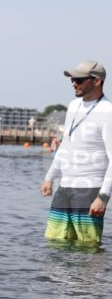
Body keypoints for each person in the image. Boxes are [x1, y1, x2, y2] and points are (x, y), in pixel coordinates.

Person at [40, 60, 111, 245]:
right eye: (72, 79)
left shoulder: (108, 111)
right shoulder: (73, 106)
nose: (73, 83)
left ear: (96, 81)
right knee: (54, 244)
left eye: (79, 79)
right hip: (65, 187)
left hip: (90, 190)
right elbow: (66, 144)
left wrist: (103, 197)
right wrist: (50, 177)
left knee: (87, 249)